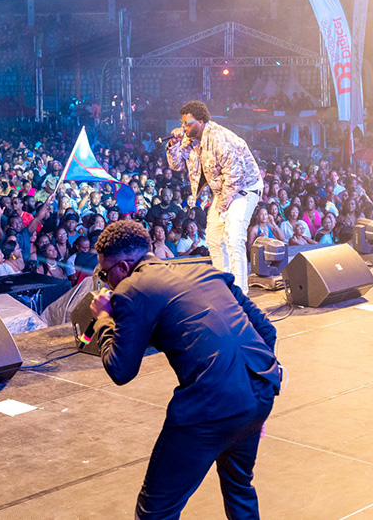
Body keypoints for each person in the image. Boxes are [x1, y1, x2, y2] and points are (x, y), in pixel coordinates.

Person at [88, 220, 281, 519]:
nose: (105, 282)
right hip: (260, 389)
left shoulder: (130, 289)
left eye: (104, 274)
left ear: (123, 268)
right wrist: (250, 401)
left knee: (156, 511)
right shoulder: (204, 270)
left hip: (211, 405)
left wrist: (103, 319)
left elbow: (120, 370)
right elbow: (266, 331)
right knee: (239, 488)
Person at [166, 100, 263, 292]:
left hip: (244, 189)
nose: (183, 127)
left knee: (234, 238)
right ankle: (223, 289)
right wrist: (173, 145)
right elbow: (176, 165)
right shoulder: (189, 139)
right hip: (223, 190)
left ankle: (240, 293)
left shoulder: (220, 139)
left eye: (187, 123)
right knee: (214, 238)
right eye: (182, 122)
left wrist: (222, 208)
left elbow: (235, 177)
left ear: (201, 121)